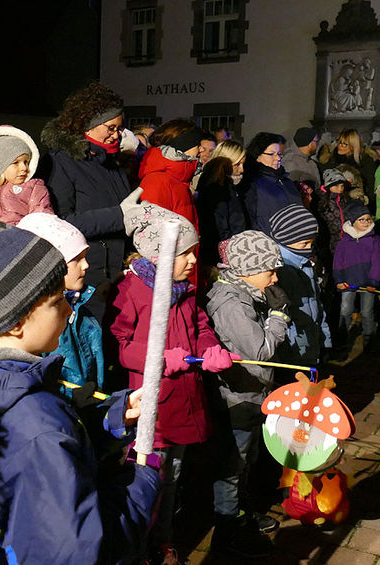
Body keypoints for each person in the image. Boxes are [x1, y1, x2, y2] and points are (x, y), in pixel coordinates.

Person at [0, 224, 160, 564]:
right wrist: (140, 486)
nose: (69, 311)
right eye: (57, 303)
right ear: (15, 322)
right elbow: (75, 553)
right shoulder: (35, 419)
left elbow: (33, 465)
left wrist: (108, 420)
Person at [106, 203, 235, 563]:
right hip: (155, 409)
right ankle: (146, 546)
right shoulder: (131, 291)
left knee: (174, 476)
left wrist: (211, 349)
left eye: (193, 253)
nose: (194, 261)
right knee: (154, 480)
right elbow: (119, 344)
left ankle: (161, 539)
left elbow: (200, 326)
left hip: (186, 399)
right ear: (157, 254)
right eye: (185, 254)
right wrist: (159, 359)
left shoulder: (183, 289)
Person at [205, 230, 288, 558]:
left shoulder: (243, 295)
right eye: (270, 270)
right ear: (247, 270)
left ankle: (239, 511)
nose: (275, 276)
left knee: (246, 457)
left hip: (252, 392)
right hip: (240, 396)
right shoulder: (233, 306)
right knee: (234, 462)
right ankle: (228, 526)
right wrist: (278, 317)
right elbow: (260, 350)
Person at [39, 82, 139, 320]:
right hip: (85, 276)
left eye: (120, 129)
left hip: (116, 272)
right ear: (89, 124)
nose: (116, 135)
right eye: (111, 128)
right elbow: (59, 222)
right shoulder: (60, 162)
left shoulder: (112, 163)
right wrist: (120, 216)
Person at [18, 212, 105, 391]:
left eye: (85, 256)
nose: (86, 265)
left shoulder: (80, 306)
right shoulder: (36, 321)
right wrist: (73, 399)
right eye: (77, 259)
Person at [268, 204, 332, 364]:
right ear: (285, 239)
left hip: (312, 338)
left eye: (312, 243)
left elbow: (317, 303)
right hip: (294, 345)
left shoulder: (305, 263)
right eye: (304, 244)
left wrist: (324, 336)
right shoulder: (280, 270)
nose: (309, 248)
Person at [0, 125, 53, 224]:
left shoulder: (34, 188)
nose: (24, 168)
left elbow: (42, 214)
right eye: (16, 163)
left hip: (23, 235)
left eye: (26, 162)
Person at [333, 201, 380, 347]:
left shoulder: (374, 240)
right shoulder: (344, 242)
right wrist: (339, 280)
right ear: (353, 221)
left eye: (368, 219)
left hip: (367, 284)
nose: (366, 222)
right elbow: (338, 263)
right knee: (345, 309)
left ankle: (368, 336)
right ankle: (343, 336)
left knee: (367, 311)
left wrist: (374, 282)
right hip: (348, 282)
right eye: (362, 219)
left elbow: (377, 263)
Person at [138, 118, 201, 228]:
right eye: (197, 144)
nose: (201, 150)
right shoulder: (157, 180)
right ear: (183, 145)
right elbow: (154, 232)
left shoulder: (180, 178)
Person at [195, 141, 247, 269]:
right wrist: (228, 257)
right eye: (237, 164)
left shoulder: (226, 185)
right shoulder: (218, 187)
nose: (241, 170)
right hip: (223, 257)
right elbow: (219, 227)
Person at [243, 132, 301, 233]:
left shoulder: (287, 181)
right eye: (271, 154)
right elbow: (250, 219)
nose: (278, 158)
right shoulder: (251, 183)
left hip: (294, 242)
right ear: (257, 156)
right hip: (268, 242)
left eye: (279, 154)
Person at [318, 128, 378, 208]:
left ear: (353, 146)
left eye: (344, 144)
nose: (340, 146)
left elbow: (371, 186)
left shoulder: (365, 162)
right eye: (339, 142)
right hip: (334, 203)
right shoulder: (330, 159)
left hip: (357, 204)